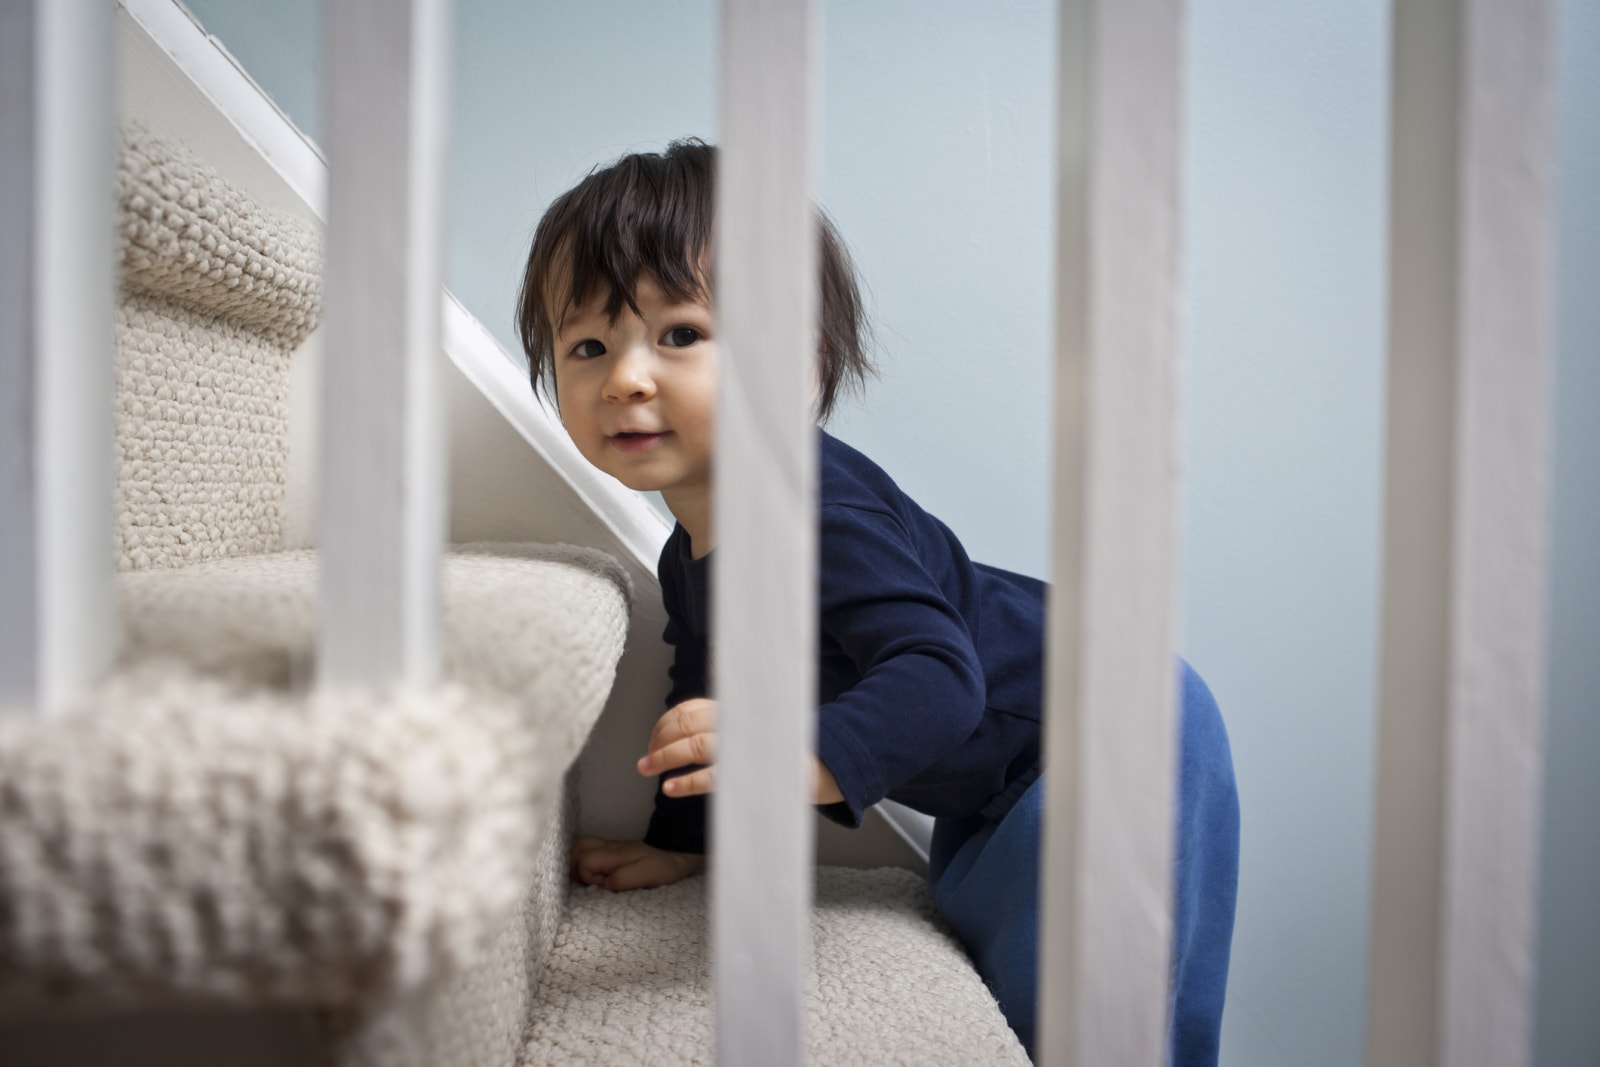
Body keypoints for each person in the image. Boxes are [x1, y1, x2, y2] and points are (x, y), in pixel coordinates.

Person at [515, 139, 1239, 1065]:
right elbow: (702, 697)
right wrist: (682, 842)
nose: (625, 376)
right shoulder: (690, 551)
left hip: (1121, 731)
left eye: (681, 334)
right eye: (587, 345)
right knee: (1014, 987)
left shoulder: (815, 507)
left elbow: (939, 678)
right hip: (997, 773)